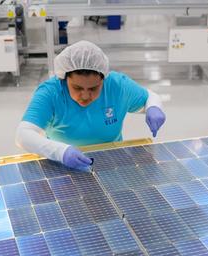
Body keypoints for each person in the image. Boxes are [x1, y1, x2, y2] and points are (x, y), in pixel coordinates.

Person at [15, 41, 166, 171]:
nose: (86, 96)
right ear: (64, 78)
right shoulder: (51, 92)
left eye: (94, 88)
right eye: (78, 88)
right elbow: (23, 135)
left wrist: (153, 107)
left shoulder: (117, 86)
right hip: (63, 164)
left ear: (104, 79)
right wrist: (61, 152)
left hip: (112, 161)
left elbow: (150, 96)